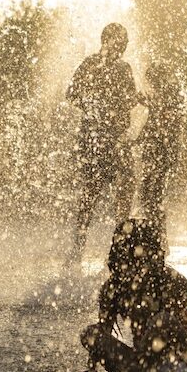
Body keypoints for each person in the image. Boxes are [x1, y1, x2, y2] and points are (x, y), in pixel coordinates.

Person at [72, 219, 187, 372]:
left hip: (179, 371)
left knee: (162, 321)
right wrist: (90, 370)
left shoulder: (171, 280)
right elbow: (102, 335)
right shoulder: (113, 288)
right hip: (141, 370)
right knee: (91, 333)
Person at [64, 23, 140, 267]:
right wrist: (104, 110)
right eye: (121, 41)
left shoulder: (104, 65)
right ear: (107, 41)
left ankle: (91, 251)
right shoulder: (100, 65)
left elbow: (72, 95)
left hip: (103, 139)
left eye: (125, 41)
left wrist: (98, 109)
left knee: (102, 193)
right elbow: (72, 94)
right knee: (103, 193)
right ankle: (108, 252)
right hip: (104, 139)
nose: (124, 45)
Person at [137, 62, 184, 251]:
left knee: (151, 196)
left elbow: (163, 122)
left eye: (150, 80)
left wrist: (151, 103)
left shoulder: (169, 94)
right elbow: (154, 123)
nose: (149, 84)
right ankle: (159, 240)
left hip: (161, 152)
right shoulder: (165, 95)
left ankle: (160, 242)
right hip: (159, 152)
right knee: (150, 196)